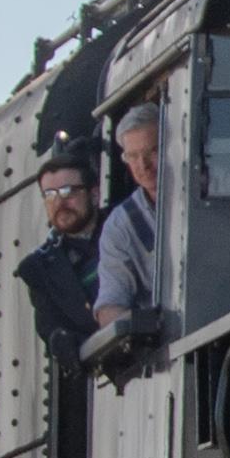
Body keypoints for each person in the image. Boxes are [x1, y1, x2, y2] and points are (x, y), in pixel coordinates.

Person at [88, 104, 173, 375]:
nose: (143, 166)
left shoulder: (223, 183)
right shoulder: (120, 226)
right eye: (133, 156)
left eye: (152, 152)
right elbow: (110, 305)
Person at [11, 138, 101, 370]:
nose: (60, 202)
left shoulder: (123, 226)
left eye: (68, 191)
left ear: (94, 194)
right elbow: (50, 327)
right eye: (49, 194)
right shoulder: (38, 269)